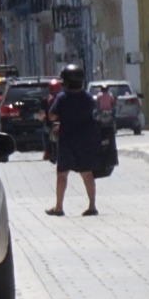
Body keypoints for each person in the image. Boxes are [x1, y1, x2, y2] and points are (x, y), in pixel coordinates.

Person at [46, 64, 101, 217]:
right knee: (87, 173)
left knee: (62, 174)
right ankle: (92, 205)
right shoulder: (88, 97)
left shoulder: (62, 98)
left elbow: (52, 116)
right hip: (85, 139)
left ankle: (59, 207)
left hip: (67, 140)